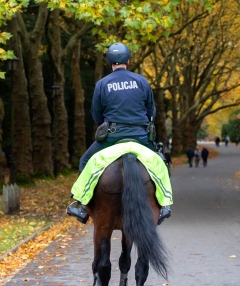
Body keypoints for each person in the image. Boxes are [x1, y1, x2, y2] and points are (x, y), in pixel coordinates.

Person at [67, 42, 171, 224]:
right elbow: (151, 112)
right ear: (128, 60)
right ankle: (164, 206)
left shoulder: (102, 84)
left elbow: (96, 114)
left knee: (85, 161)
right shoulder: (141, 81)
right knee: (160, 163)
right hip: (140, 137)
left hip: (112, 138)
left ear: (109, 62)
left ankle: (81, 205)